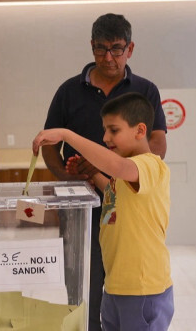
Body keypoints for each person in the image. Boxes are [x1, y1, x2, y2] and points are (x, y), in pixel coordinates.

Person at [42, 13, 167, 330]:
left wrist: (124, 170)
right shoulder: (69, 91)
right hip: (80, 202)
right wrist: (71, 176)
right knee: (82, 281)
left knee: (123, 272)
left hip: (127, 205)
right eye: (100, 49)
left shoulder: (144, 91)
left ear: (130, 48)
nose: (108, 57)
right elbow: (49, 143)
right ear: (91, 47)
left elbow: (156, 144)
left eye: (116, 48)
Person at [34, 92, 174, 331]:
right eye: (105, 130)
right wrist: (92, 174)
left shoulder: (151, 165)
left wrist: (67, 135)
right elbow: (114, 195)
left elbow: (117, 167)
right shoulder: (123, 178)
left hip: (143, 289)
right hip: (115, 286)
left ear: (140, 131)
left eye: (113, 130)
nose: (105, 137)